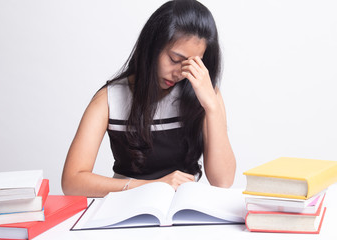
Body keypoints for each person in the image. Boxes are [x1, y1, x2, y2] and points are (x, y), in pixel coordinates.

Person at [62, 0, 235, 197]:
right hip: (127, 206)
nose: (179, 73)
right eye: (174, 60)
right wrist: (152, 185)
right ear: (152, 45)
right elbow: (72, 181)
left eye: (190, 64)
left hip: (185, 208)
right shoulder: (108, 99)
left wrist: (211, 106)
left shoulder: (204, 94)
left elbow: (223, 181)